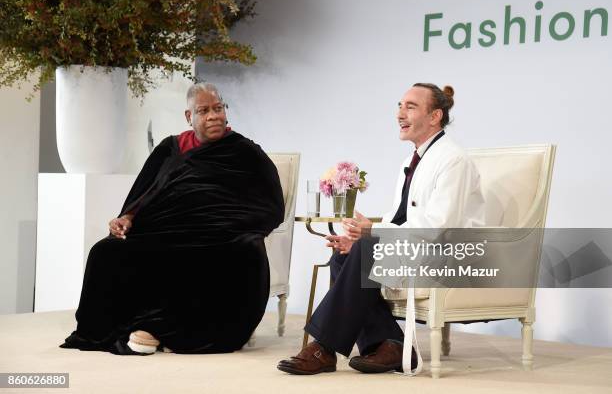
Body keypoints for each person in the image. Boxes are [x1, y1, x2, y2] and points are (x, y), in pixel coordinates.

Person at [60, 83, 285, 355]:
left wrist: (232, 223)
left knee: (243, 254)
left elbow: (271, 204)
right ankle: (120, 328)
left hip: (220, 236)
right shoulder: (171, 148)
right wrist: (127, 217)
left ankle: (163, 330)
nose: (213, 116)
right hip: (165, 231)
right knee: (105, 252)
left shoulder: (246, 152)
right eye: (204, 111)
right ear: (189, 117)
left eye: (218, 108)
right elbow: (144, 192)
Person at [277, 83, 485, 375]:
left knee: (365, 247)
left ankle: (324, 347)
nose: (400, 113)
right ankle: (388, 344)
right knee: (345, 255)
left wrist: (373, 235)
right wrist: (369, 230)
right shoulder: (412, 160)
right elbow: (401, 217)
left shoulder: (453, 160)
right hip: (419, 246)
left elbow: (440, 225)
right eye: (399, 106)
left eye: (410, 106)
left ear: (435, 116)